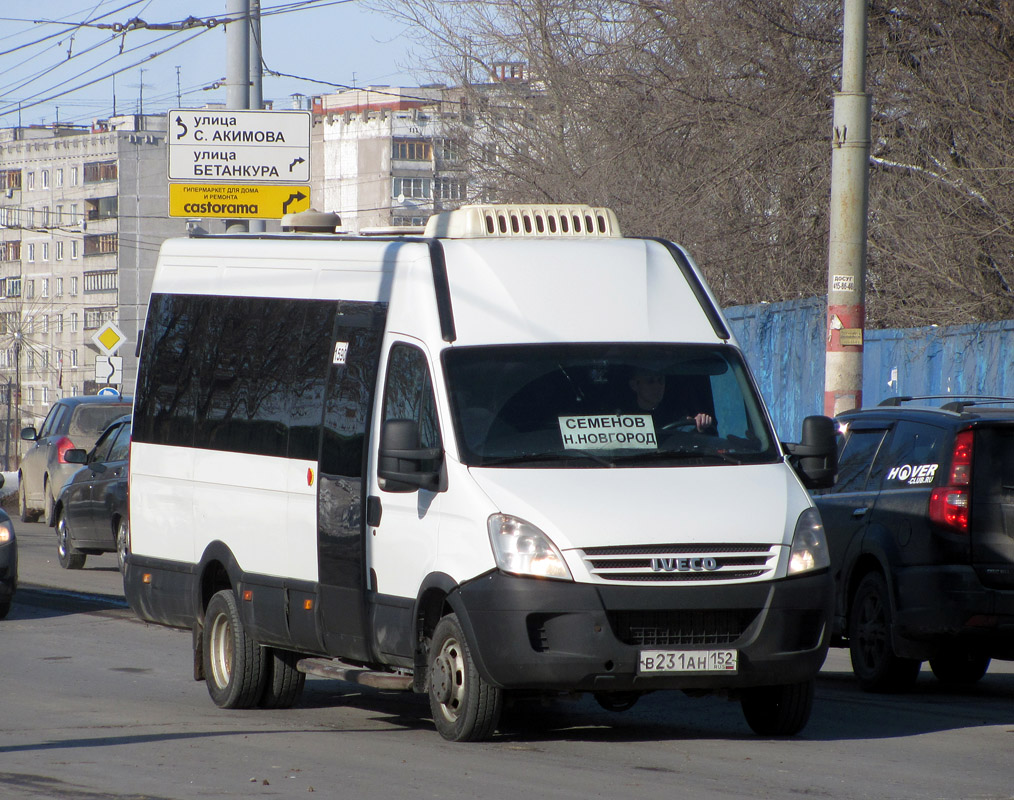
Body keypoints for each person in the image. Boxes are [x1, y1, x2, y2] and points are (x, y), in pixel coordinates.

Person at [628, 370, 715, 432]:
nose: (657, 386)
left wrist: (700, 422)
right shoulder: (624, 417)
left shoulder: (676, 415)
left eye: (661, 380)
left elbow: (687, 430)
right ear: (634, 385)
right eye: (650, 381)